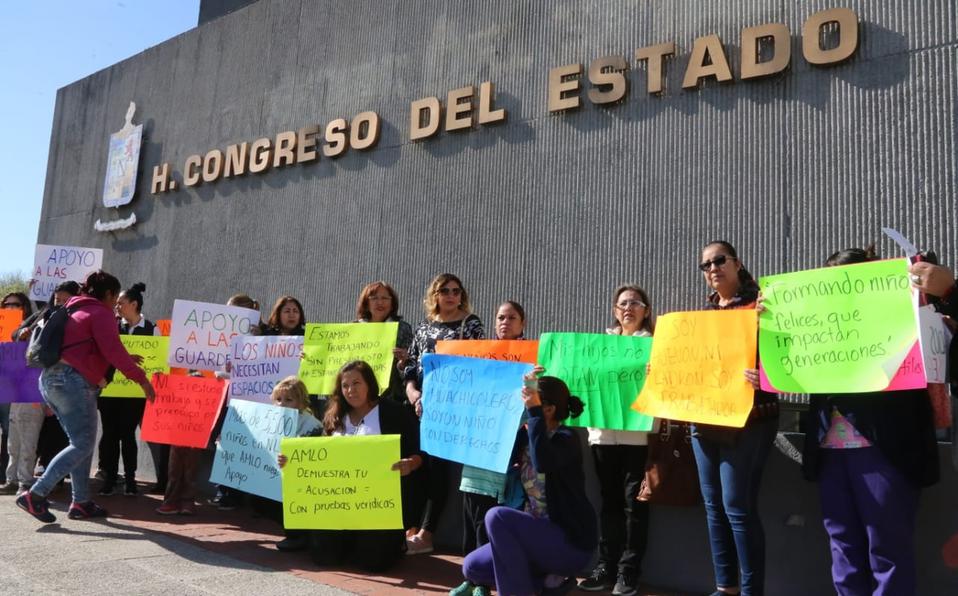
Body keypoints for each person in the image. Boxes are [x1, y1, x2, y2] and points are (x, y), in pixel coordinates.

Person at [804, 247, 939, 595]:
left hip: (885, 446)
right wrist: (771, 323)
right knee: (842, 547)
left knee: (887, 547)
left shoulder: (900, 315)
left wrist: (922, 292)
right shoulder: (818, 323)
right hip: (831, 448)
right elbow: (786, 369)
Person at [16, 271, 155, 523]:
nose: (116, 303)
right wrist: (143, 380)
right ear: (110, 294)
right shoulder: (100, 312)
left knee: (79, 443)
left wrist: (125, 359)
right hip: (73, 382)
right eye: (115, 297)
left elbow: (94, 346)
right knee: (82, 443)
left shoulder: (72, 309)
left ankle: (80, 502)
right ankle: (35, 495)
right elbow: (112, 351)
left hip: (51, 379)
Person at [279, 360, 424, 571]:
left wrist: (410, 464)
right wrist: (290, 461)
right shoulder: (334, 416)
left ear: (369, 385)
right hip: (338, 504)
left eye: (356, 383)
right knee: (323, 556)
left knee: (373, 563)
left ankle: (388, 541)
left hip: (379, 506)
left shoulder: (393, 413)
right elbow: (315, 455)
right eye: (345, 385)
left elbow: (420, 452)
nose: (350, 390)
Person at [692, 241, 778, 596]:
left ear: (737, 264)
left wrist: (768, 375)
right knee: (714, 508)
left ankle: (750, 591)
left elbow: (790, 357)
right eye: (706, 265)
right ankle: (724, 587)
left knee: (737, 507)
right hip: (705, 421)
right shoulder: (703, 318)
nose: (712, 268)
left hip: (750, 420)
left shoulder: (764, 306)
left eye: (719, 261)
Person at [462, 372, 598, 596]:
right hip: (532, 536)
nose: (525, 408)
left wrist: (534, 412)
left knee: (497, 517)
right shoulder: (527, 437)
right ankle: (545, 583)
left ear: (549, 409)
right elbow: (500, 452)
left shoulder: (567, 438)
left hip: (568, 542)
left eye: (530, 403)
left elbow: (544, 461)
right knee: (473, 567)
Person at [579, 285, 654, 595]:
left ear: (646, 311)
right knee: (608, 502)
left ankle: (628, 571)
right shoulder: (600, 345)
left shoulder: (654, 345)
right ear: (614, 311)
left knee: (634, 506)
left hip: (637, 436)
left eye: (636, 303)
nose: (629, 308)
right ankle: (606, 566)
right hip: (601, 435)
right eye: (623, 303)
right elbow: (578, 379)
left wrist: (655, 372)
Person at [402, 273, 485, 555]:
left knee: (438, 470)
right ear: (434, 295)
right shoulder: (424, 327)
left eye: (456, 290)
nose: (451, 295)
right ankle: (410, 528)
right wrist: (413, 393)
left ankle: (428, 533)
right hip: (420, 407)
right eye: (444, 290)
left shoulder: (470, 325)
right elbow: (411, 366)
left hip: (451, 409)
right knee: (415, 466)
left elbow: (478, 365)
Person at [453, 300, 527, 596]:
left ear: (522, 324)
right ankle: (468, 577)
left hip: (504, 451)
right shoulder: (479, 356)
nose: (504, 322)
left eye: (511, 317)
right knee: (470, 511)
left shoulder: (530, 360)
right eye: (500, 317)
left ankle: (483, 580)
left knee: (490, 516)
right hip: (474, 447)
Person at [97, 282, 160, 497]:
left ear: (134, 304)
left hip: (134, 393)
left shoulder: (152, 329)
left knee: (128, 433)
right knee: (110, 433)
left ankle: (130, 479)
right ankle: (110, 477)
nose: (117, 307)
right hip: (110, 389)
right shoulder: (111, 325)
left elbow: (158, 361)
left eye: (121, 303)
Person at [257, 376, 320, 552]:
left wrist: (291, 460)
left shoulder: (312, 426)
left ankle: (300, 535)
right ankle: (294, 532)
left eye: (289, 400)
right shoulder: (269, 422)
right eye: (278, 400)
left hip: (303, 483)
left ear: (301, 402)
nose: (282, 404)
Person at [0, 292, 40, 496]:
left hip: (28, 389)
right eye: (6, 305)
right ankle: (10, 479)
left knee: (26, 437)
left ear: (24, 306)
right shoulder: (5, 328)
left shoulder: (36, 328)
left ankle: (25, 480)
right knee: (11, 439)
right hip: (8, 387)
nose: (10, 308)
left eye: (14, 305)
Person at [355, 281, 414, 403]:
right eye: (374, 298)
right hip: (358, 397)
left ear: (392, 304)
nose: (380, 302)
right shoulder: (354, 329)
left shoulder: (402, 328)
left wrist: (404, 361)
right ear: (366, 303)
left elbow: (411, 366)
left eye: (385, 298)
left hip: (392, 398)